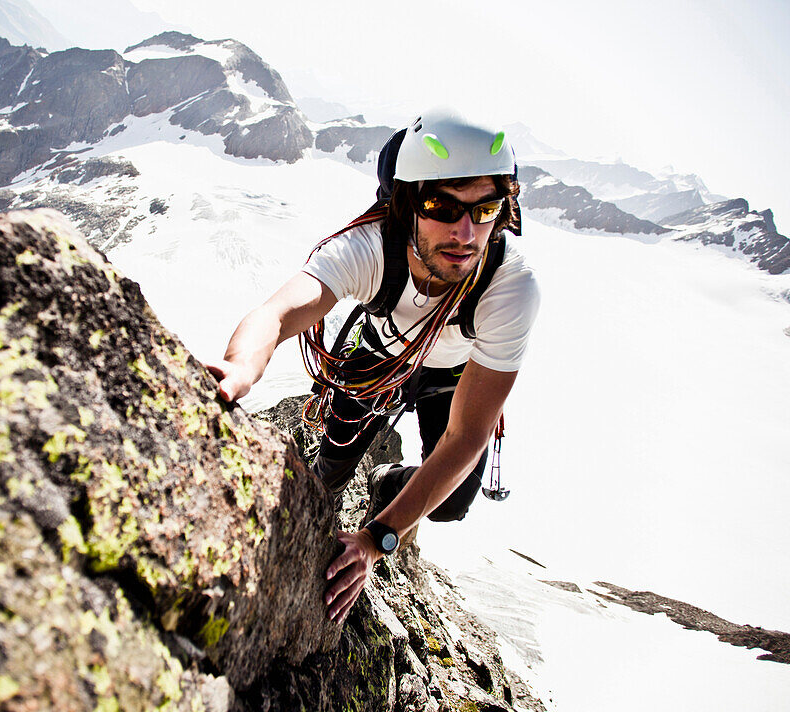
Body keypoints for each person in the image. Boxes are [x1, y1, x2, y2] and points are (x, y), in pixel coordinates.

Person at [207, 110, 540, 624]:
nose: (466, 232)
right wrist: (240, 368)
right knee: (331, 470)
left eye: (486, 208)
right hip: (379, 357)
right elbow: (278, 312)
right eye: (440, 206)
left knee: (451, 503)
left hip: (452, 374)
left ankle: (389, 484)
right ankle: (331, 498)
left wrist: (378, 536)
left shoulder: (510, 286)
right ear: (405, 204)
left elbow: (466, 437)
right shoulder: (370, 248)